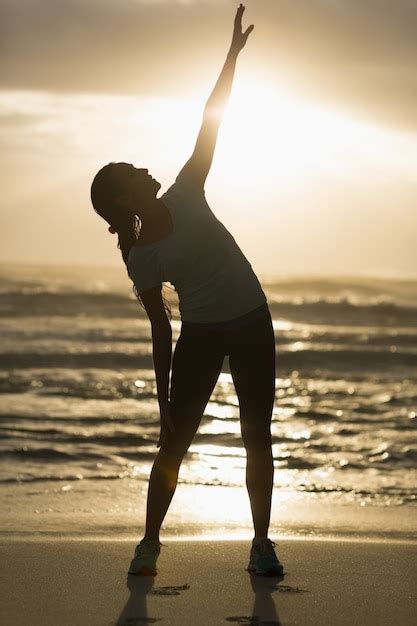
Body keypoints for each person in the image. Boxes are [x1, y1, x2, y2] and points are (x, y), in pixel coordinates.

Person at [90, 4, 283, 577]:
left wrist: (231, 56)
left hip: (252, 320)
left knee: (257, 437)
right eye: (133, 173)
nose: (146, 170)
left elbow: (211, 119)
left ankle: (261, 542)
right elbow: (160, 329)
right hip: (201, 334)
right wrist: (162, 402)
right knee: (173, 443)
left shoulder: (187, 188)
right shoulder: (142, 257)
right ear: (125, 199)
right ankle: (149, 543)